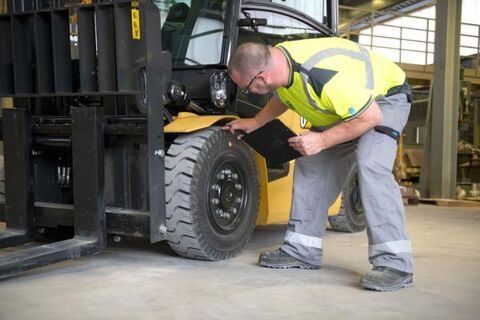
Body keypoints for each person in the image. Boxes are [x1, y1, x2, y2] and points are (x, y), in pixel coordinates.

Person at [224, 37, 414, 292]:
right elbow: (284, 96)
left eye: (245, 88)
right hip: (344, 107)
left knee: (371, 165)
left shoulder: (322, 76)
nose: (247, 92)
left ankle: (396, 264)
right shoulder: (280, 62)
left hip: (384, 100)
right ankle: (302, 250)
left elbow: (370, 117)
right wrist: (256, 122)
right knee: (311, 165)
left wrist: (322, 139)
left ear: (261, 79)